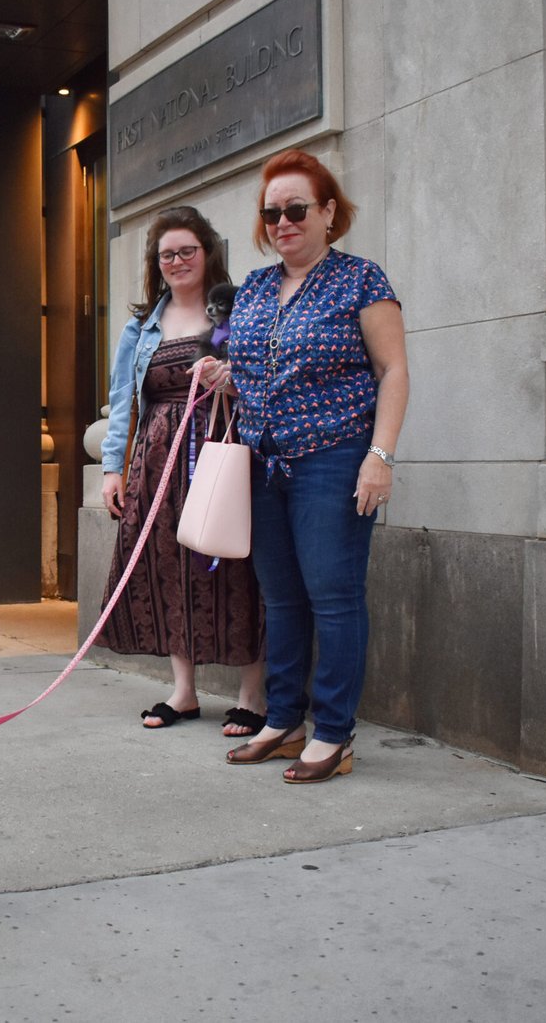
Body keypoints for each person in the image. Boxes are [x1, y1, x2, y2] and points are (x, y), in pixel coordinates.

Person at [201, 149, 410, 783]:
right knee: (281, 598)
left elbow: (392, 371)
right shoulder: (259, 286)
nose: (283, 222)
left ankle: (335, 732)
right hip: (264, 462)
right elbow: (268, 366)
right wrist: (228, 377)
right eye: (272, 213)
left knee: (334, 596)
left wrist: (380, 456)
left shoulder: (360, 279)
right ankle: (284, 719)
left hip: (335, 457)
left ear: (327, 213)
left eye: (296, 209)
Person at [95, 205, 266, 735]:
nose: (178, 261)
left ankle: (252, 695)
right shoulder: (139, 326)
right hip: (157, 462)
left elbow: (262, 381)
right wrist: (111, 468)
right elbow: (122, 400)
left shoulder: (241, 310)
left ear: (208, 252)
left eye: (187, 250)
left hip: (222, 452)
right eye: (167, 254)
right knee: (164, 566)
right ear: (157, 263)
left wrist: (226, 376)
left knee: (237, 566)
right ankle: (183, 691)